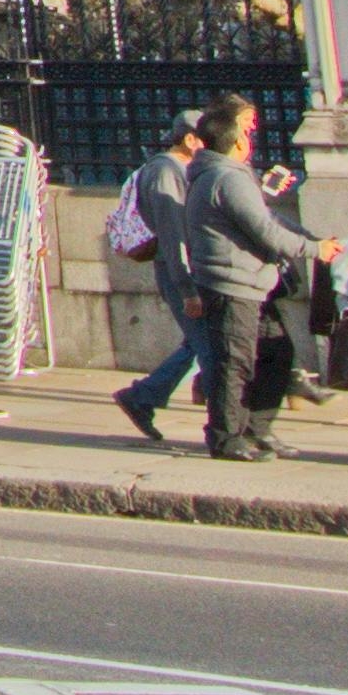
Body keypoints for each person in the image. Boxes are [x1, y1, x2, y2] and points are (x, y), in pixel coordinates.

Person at [177, 89, 320, 458]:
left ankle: (256, 428)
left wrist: (309, 238)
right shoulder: (226, 177)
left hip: (253, 282)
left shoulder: (229, 175)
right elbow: (265, 230)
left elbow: (269, 219)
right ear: (235, 139)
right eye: (246, 130)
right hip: (233, 282)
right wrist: (315, 250)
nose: (251, 135)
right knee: (235, 362)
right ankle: (227, 437)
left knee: (277, 353)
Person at [108, 111, 213, 445]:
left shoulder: (182, 169)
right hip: (178, 270)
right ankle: (145, 397)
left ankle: (146, 396)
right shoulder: (165, 171)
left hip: (187, 268)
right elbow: (172, 236)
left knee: (200, 341)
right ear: (189, 139)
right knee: (205, 343)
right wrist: (187, 288)